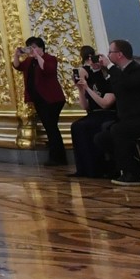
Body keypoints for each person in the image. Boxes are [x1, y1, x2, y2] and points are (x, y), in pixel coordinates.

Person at [88, 40, 140, 185]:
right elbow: (113, 89)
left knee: (118, 130)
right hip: (128, 119)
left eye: (110, 52)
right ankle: (138, 169)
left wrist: (110, 67)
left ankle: (131, 174)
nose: (107, 55)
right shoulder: (118, 73)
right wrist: (100, 71)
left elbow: (128, 84)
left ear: (119, 54)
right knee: (101, 137)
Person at [13, 37, 67, 165]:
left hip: (52, 99)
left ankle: (58, 157)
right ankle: (56, 156)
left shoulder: (49, 58)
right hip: (39, 100)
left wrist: (38, 56)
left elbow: (48, 69)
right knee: (50, 128)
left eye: (34, 47)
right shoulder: (29, 61)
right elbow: (17, 66)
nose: (32, 50)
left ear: (41, 47)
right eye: (29, 47)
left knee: (51, 127)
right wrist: (16, 55)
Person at [68, 49, 114, 178]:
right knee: (76, 126)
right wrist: (81, 90)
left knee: (84, 127)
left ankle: (95, 168)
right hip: (93, 113)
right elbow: (85, 106)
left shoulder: (108, 79)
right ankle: (83, 168)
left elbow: (105, 104)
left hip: (107, 113)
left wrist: (88, 88)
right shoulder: (92, 80)